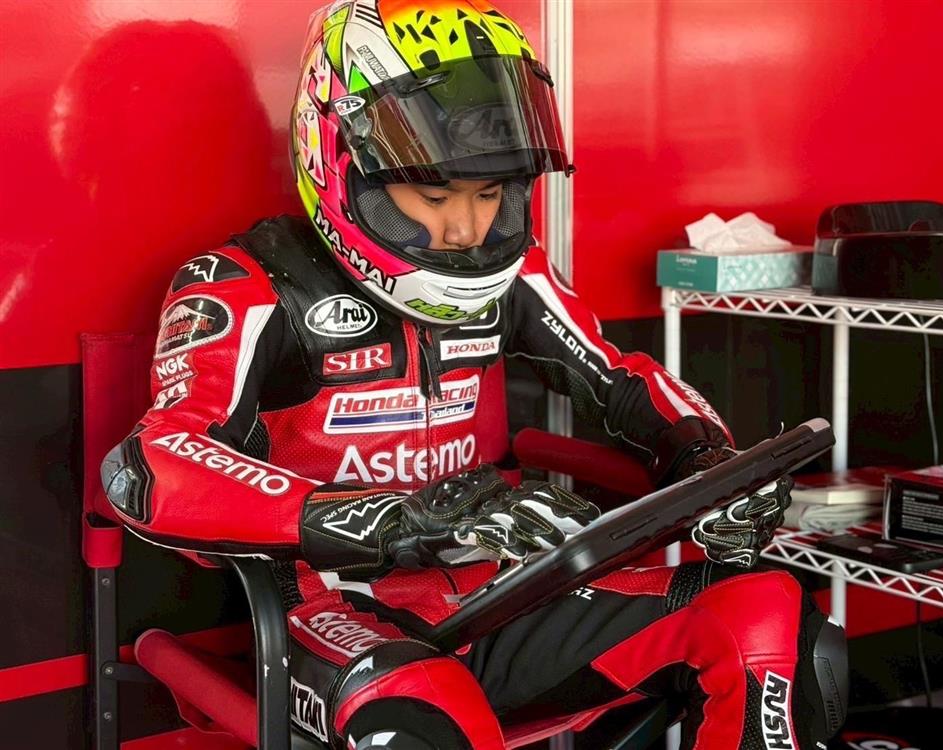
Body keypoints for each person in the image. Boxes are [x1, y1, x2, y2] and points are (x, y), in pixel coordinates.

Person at [102, 1, 846, 747]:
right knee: (422, 717)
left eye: (489, 194)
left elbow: (621, 378)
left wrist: (712, 465)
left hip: (507, 591)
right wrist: (390, 518)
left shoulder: (515, 270)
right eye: (435, 196)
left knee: (766, 617)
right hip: (337, 611)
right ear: (341, 162)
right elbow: (150, 467)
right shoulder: (246, 284)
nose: (466, 228)